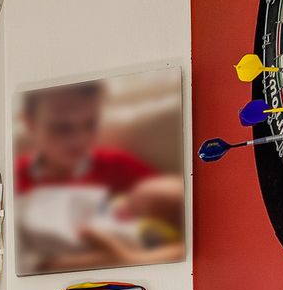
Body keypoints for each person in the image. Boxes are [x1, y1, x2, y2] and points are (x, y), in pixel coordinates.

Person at [15, 80, 186, 272]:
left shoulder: (119, 167)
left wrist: (131, 259)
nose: (78, 139)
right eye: (61, 127)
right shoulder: (12, 178)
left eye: (90, 124)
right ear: (29, 122)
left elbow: (190, 236)